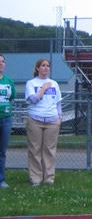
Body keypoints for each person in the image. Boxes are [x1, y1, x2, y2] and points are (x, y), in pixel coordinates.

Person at [25, 58, 62, 186]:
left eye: (48, 66)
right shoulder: (31, 83)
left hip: (52, 120)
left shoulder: (54, 83)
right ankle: (36, 178)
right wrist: (42, 89)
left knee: (49, 150)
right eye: (43, 65)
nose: (46, 68)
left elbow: (58, 103)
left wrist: (59, 117)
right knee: (35, 149)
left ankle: (49, 178)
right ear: (37, 68)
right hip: (35, 119)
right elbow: (33, 100)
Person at [0, 54, 16, 189]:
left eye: (2, 61)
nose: (1, 64)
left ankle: (1, 180)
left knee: (2, 152)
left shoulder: (9, 81)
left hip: (5, 119)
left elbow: (11, 98)